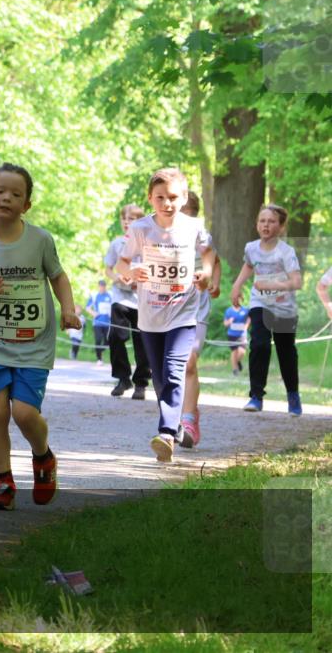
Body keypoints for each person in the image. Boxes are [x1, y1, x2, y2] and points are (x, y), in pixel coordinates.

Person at [0, 163, 81, 509]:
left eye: (16, 194)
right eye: (0, 191)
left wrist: (68, 308)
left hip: (34, 341)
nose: (6, 198)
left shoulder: (40, 240)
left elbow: (58, 276)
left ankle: (43, 456)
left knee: (25, 414)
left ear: (26, 205)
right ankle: (3, 481)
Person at [116, 169, 213, 462]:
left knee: (174, 369)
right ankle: (173, 425)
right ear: (150, 198)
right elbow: (122, 263)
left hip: (183, 312)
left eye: (173, 197)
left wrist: (207, 273)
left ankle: (167, 433)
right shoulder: (141, 229)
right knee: (159, 377)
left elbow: (208, 253)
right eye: (160, 197)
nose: (167, 203)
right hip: (151, 315)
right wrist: (131, 272)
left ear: (183, 198)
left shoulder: (193, 226)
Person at [230, 205, 303, 416]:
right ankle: (256, 396)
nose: (266, 225)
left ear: (281, 227)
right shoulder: (251, 248)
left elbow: (296, 282)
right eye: (262, 221)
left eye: (271, 221)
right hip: (260, 303)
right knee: (259, 344)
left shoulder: (286, 252)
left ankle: (293, 395)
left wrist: (271, 284)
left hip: (284, 308)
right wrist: (237, 286)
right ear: (257, 224)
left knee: (285, 350)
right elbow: (249, 265)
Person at [176, 191, 221, 449]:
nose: (186, 218)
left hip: (197, 308)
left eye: (191, 213)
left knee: (190, 362)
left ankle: (189, 420)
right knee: (170, 367)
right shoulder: (160, 235)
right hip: (169, 308)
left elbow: (215, 260)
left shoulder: (202, 236)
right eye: (182, 213)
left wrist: (214, 282)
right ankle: (178, 413)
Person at [104, 204, 152, 399]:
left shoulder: (149, 244)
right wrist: (117, 277)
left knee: (142, 341)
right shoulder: (116, 244)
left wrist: (139, 280)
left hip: (142, 299)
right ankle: (123, 378)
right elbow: (108, 269)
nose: (126, 222)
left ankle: (141, 383)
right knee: (116, 336)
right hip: (120, 298)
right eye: (124, 218)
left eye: (131, 219)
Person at [85, 280, 112, 364]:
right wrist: (93, 313)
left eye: (103, 286)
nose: (102, 287)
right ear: (98, 286)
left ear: (105, 286)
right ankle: (99, 359)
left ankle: (100, 350)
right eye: (100, 286)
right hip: (97, 323)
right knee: (98, 339)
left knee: (108, 341)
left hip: (108, 323)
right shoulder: (94, 296)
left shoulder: (110, 295)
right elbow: (87, 307)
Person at [224, 303, 251, 375]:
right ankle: (235, 370)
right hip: (232, 334)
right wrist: (229, 322)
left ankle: (237, 361)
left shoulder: (245, 310)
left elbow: (249, 319)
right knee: (234, 352)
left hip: (242, 334)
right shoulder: (229, 311)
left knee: (242, 352)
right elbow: (225, 324)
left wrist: (246, 326)